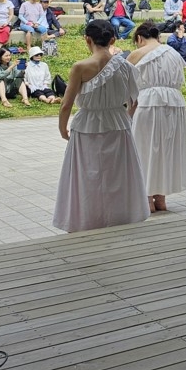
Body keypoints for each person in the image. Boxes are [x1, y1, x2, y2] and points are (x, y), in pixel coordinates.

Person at [53, 20, 149, 232]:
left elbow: (66, 103)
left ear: (87, 40)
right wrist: (124, 117)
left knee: (88, 176)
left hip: (87, 124)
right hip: (118, 123)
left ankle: (88, 220)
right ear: (113, 40)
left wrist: (62, 128)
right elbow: (134, 101)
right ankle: (120, 218)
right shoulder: (126, 66)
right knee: (117, 175)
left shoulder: (81, 67)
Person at [127, 22, 186, 213]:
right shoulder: (173, 53)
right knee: (165, 150)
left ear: (139, 38)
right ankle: (160, 197)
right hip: (175, 103)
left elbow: (125, 85)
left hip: (149, 103)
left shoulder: (137, 53)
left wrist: (128, 111)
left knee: (145, 149)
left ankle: (146, 199)